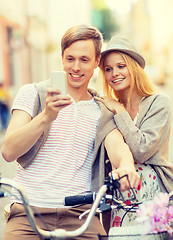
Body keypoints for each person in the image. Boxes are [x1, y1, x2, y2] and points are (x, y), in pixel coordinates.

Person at [1, 26, 140, 240]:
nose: (75, 67)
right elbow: (9, 151)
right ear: (62, 58)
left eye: (84, 60)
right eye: (70, 59)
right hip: (27, 213)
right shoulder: (33, 94)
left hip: (81, 214)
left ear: (97, 62)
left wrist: (127, 167)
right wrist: (47, 116)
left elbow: (117, 147)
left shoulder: (101, 109)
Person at [96, 35, 173, 229]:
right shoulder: (107, 108)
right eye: (108, 69)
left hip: (155, 197)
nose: (115, 73)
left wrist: (120, 112)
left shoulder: (159, 103)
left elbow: (142, 150)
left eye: (121, 66)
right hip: (120, 195)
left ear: (134, 68)